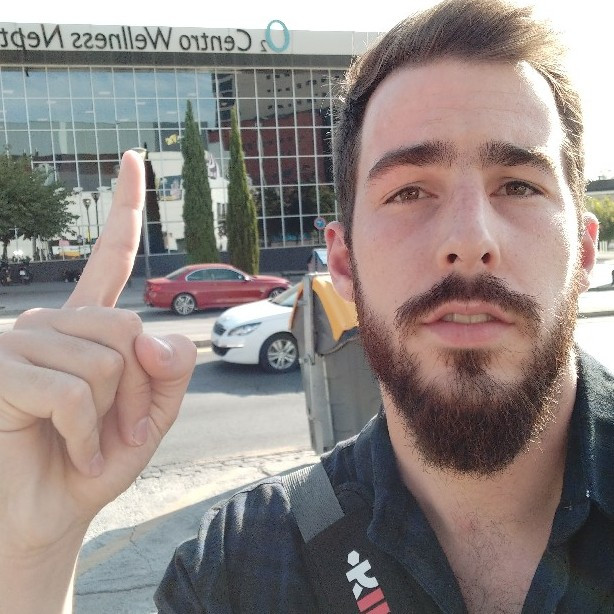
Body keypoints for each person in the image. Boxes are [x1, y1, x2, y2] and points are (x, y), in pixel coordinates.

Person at [0, 0, 611, 612]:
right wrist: (29, 558)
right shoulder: (239, 569)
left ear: (584, 252)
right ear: (342, 264)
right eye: (409, 191)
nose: (470, 239)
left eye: (518, 186)